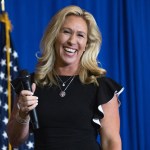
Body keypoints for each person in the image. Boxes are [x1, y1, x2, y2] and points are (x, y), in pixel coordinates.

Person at [7, 5, 124, 150]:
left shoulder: (102, 87)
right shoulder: (29, 84)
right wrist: (23, 114)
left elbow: (111, 142)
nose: (72, 41)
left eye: (80, 35)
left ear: (87, 44)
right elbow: (15, 140)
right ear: (55, 35)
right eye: (66, 32)